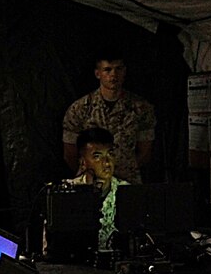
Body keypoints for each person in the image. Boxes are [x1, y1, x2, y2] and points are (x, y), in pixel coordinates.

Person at [63, 50, 156, 181]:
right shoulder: (79, 109)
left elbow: (145, 152)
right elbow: (70, 154)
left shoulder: (141, 108)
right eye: (107, 70)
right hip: (91, 184)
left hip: (127, 182)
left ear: (125, 71)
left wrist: (124, 169)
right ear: (97, 74)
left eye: (118, 69)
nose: (113, 74)